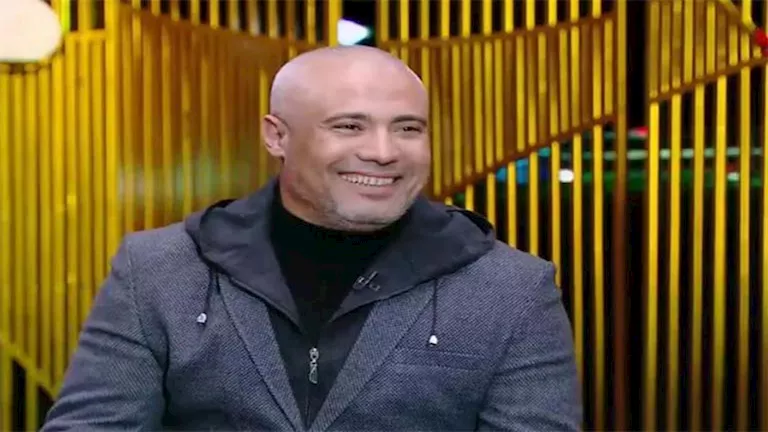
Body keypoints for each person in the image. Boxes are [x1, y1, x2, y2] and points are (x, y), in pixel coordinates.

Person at [41, 46, 582, 431]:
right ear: (276, 136)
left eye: (408, 128)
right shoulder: (159, 268)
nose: (383, 152)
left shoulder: (512, 289)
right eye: (348, 126)